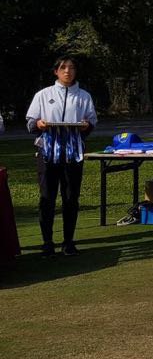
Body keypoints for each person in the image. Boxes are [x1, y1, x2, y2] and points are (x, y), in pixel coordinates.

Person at [26, 57, 97, 257]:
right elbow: (31, 122)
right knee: (47, 198)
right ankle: (47, 242)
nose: (68, 71)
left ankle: (68, 242)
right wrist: (39, 124)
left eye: (72, 68)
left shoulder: (84, 96)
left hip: (73, 155)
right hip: (47, 153)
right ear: (56, 71)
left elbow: (91, 122)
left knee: (71, 198)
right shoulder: (43, 94)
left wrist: (86, 126)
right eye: (63, 68)